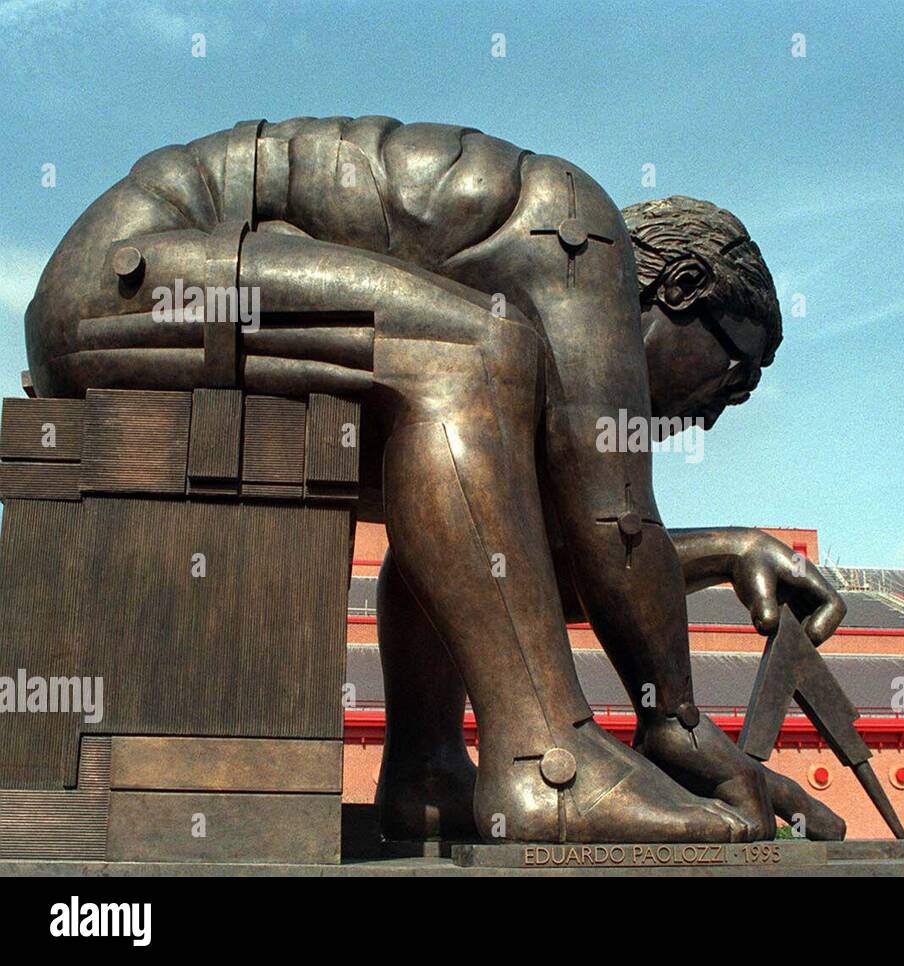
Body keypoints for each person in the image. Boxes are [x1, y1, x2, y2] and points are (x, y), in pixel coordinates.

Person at [24, 117, 848, 843]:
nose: (710, 413)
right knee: (470, 353)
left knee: (463, 462)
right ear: (681, 289)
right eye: (732, 372)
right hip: (126, 281)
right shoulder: (580, 233)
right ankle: (545, 764)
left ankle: (427, 774)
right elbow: (616, 520)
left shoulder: (524, 331)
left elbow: (502, 565)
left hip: (166, 291)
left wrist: (727, 552)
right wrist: (676, 719)